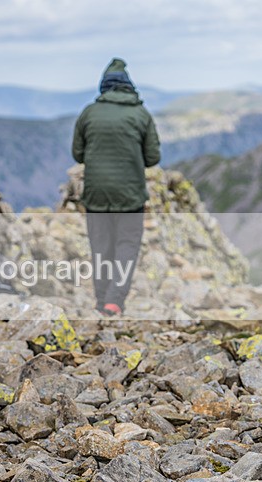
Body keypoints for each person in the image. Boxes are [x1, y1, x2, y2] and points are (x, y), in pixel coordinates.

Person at [71, 58, 161, 317]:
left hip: (96, 194)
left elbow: (78, 154)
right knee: (127, 246)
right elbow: (153, 157)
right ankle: (115, 301)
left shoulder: (89, 113)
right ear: (128, 85)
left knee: (100, 246)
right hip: (130, 196)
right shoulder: (141, 114)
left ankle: (101, 301)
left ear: (104, 85)